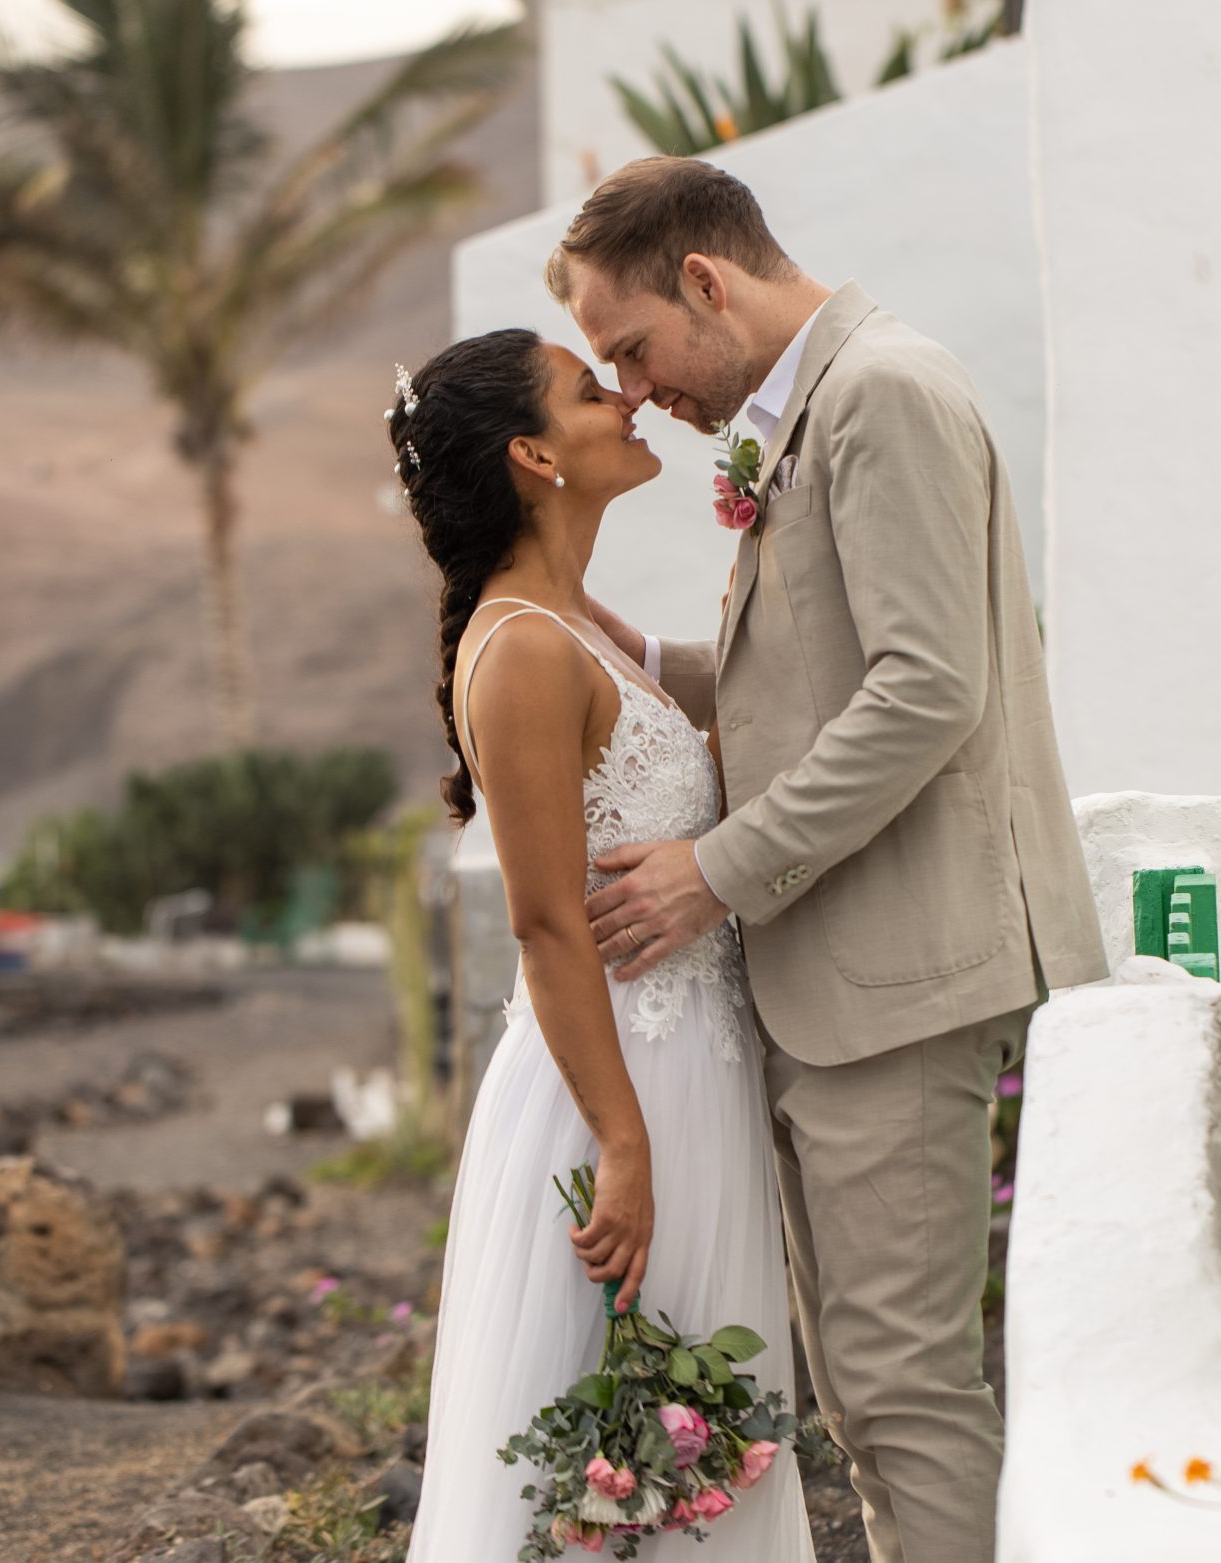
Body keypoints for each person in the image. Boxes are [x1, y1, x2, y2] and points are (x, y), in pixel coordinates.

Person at [551, 156, 1108, 1563]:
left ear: (705, 280)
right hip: (843, 969)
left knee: (907, 1385)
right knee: (865, 1384)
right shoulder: (807, 405)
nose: (636, 391)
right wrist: (632, 654)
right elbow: (815, 674)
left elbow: (928, 690)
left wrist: (714, 869)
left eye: (632, 348)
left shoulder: (885, 391)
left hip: (900, 967)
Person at [393, 330, 813, 1561]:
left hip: (690, 1066)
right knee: (608, 1457)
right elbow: (541, 920)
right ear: (532, 455)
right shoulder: (522, 648)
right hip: (614, 1089)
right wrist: (623, 1144)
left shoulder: (570, 620)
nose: (626, 398)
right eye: (591, 391)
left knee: (685, 1451)